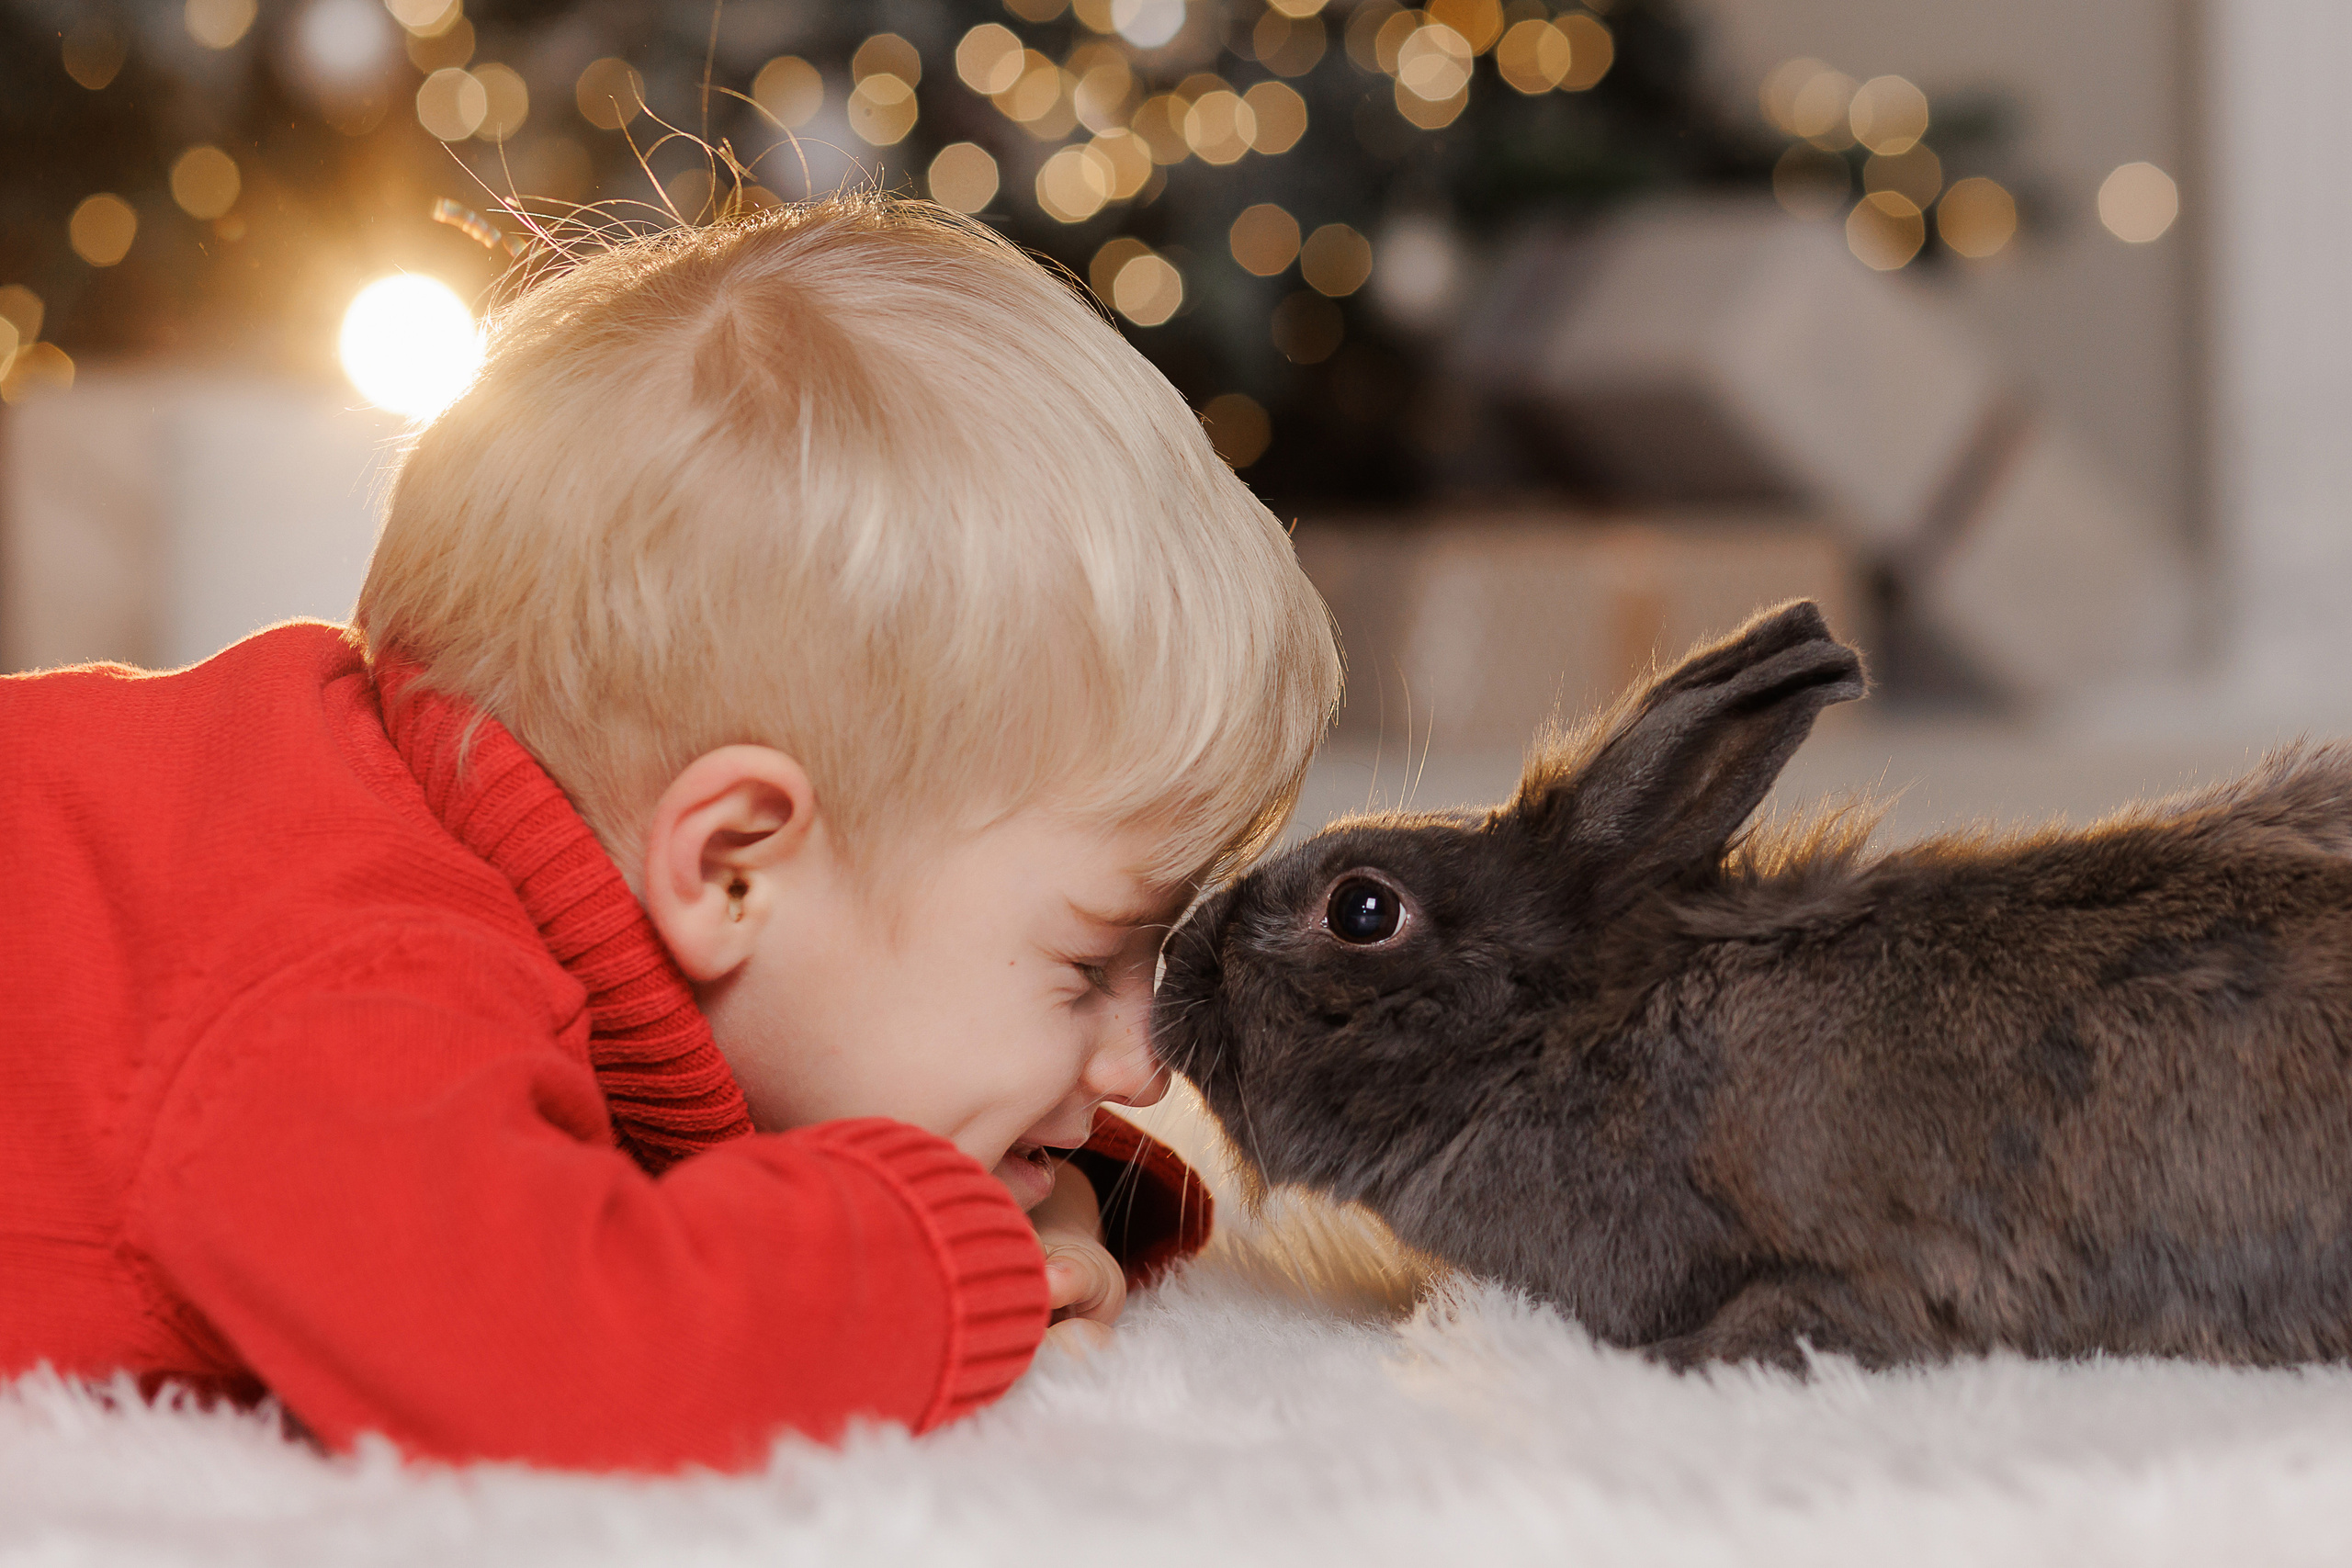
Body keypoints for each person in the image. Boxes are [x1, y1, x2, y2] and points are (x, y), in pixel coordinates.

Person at [0, 193, 1341, 1471]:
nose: (1139, 1065)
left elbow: (722, 1115)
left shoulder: (512, 853)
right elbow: (563, 1360)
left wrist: (1018, 1193)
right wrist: (946, 1261)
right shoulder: (347, 977)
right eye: (1088, 963)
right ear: (731, 865)